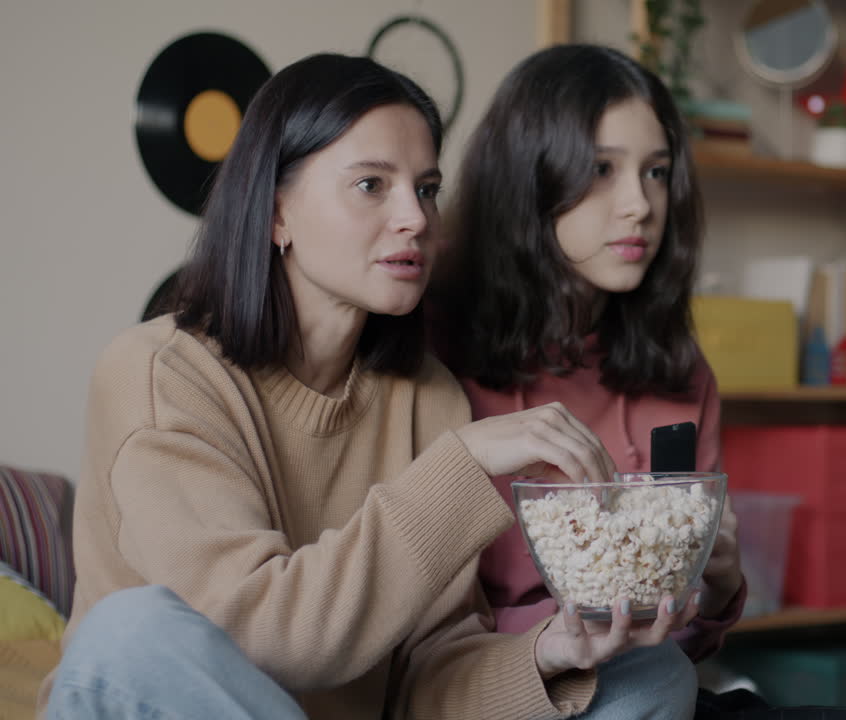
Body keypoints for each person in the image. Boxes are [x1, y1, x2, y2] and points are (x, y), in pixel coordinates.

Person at [40, 52, 698, 720]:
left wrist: (550, 653)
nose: (415, 217)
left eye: (428, 188)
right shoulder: (157, 374)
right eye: (371, 186)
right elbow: (264, 637)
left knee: (649, 673)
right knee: (129, 636)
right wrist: (458, 469)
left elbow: (426, 678)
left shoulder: (427, 395)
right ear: (276, 215)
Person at [429, 43, 747, 714]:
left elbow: (682, 639)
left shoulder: (680, 370)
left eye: (656, 172)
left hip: (645, 680)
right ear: (528, 180)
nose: (638, 205)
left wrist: (715, 588)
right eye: (602, 170)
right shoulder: (430, 351)